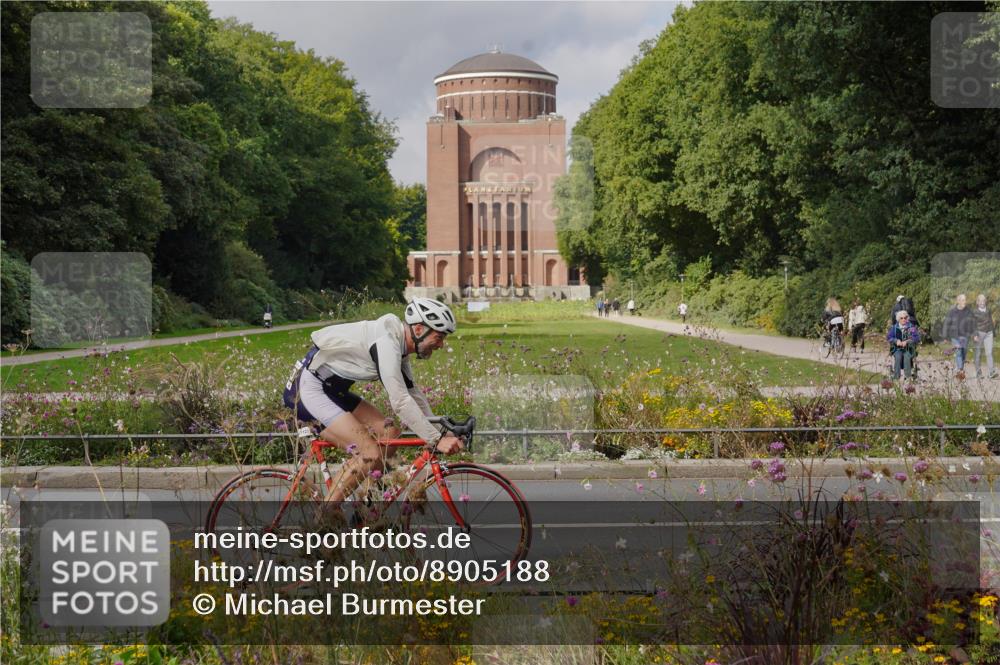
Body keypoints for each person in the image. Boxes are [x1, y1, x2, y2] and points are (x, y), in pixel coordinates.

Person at [282, 298, 463, 511]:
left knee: (391, 434)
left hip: (332, 390)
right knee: (369, 452)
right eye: (439, 337)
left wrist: (441, 431)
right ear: (419, 328)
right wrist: (435, 439)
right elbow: (400, 401)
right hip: (307, 391)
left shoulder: (399, 343)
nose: (441, 345)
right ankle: (323, 521)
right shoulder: (386, 343)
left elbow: (413, 394)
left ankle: (364, 508)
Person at [943, 293, 974, 374]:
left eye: (965, 300)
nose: (965, 302)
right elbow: (947, 323)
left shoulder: (968, 311)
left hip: (965, 336)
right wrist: (945, 336)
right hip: (955, 336)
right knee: (959, 351)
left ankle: (959, 367)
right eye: (963, 300)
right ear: (958, 301)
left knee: (963, 353)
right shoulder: (952, 311)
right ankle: (960, 370)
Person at [887, 309, 920, 380]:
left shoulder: (911, 327)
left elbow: (917, 338)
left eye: (905, 318)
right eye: (901, 318)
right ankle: (896, 377)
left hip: (909, 348)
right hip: (897, 348)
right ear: (898, 319)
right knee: (898, 357)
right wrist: (896, 341)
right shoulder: (894, 327)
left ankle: (908, 377)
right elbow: (889, 337)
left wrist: (907, 341)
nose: (903, 319)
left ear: (907, 318)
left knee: (907, 357)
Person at [972, 293, 997, 379]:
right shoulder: (975, 312)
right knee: (978, 354)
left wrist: (993, 333)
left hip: (989, 333)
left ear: (985, 302)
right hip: (979, 333)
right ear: (977, 302)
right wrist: (974, 335)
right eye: (980, 301)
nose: (982, 302)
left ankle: (991, 372)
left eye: (983, 300)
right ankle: (979, 373)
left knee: (989, 353)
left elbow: (990, 321)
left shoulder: (988, 310)